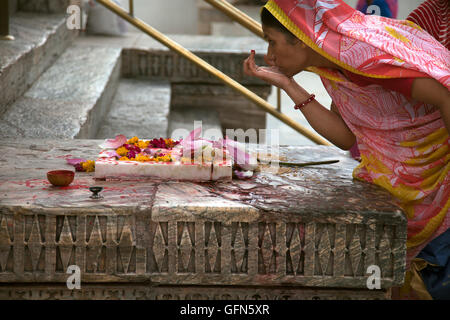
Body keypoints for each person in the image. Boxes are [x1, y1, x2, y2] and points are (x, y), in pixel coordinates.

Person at [243, 0, 449, 299]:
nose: (269, 55)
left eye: (272, 42)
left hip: (438, 182)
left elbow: (445, 94)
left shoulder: (364, 56)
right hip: (404, 184)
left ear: (300, 36)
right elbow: (343, 136)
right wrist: (286, 84)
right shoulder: (337, 64)